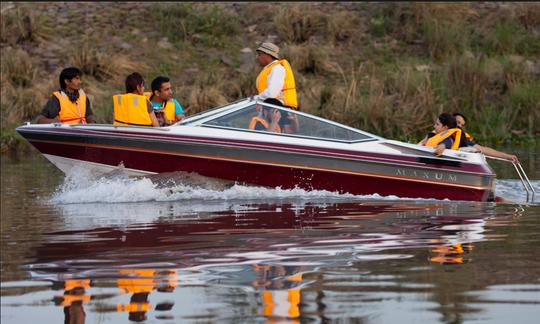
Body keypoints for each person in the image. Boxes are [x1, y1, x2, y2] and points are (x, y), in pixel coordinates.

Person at [453, 112, 519, 162]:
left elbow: (483, 149)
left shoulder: (463, 139)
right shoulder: (443, 133)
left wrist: (507, 156)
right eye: (457, 122)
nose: (460, 126)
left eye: (462, 125)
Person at [253, 42, 298, 110]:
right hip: (273, 110)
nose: (257, 57)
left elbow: (271, 93)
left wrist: (254, 99)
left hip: (281, 111)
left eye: (259, 54)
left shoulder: (277, 68)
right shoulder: (270, 69)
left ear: (267, 55)